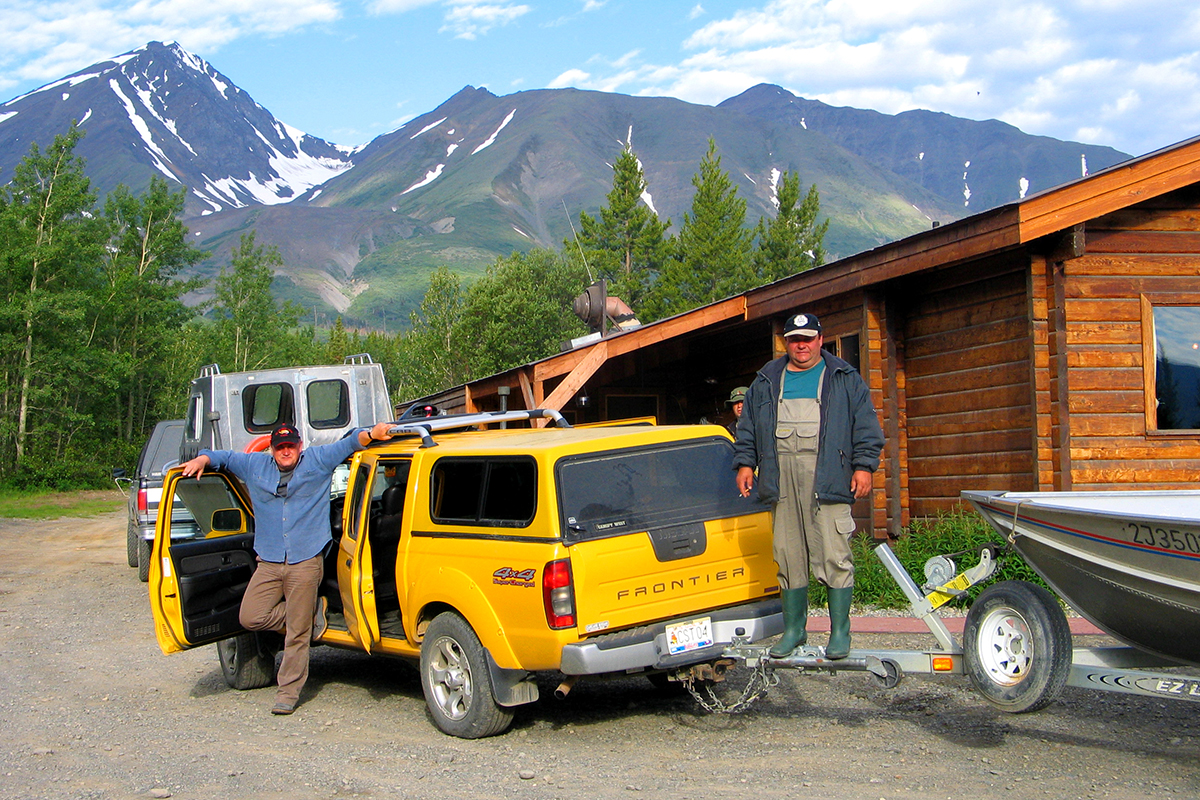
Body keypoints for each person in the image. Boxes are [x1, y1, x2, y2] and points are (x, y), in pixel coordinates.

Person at [179, 420, 397, 715]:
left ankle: (288, 692)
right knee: (250, 616)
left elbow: (348, 444)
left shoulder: (317, 460)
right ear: (271, 449)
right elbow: (225, 458)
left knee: (297, 633)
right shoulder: (254, 465)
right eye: (280, 446)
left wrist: (372, 434)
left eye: (290, 446)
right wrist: (203, 459)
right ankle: (311, 613)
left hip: (306, 560)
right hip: (269, 560)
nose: (286, 451)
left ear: (299, 446)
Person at [732, 313, 884, 660]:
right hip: (780, 477)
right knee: (787, 554)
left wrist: (864, 467)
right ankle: (794, 630)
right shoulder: (767, 379)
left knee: (833, 553)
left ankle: (840, 633)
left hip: (828, 475)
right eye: (795, 339)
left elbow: (866, 426)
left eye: (808, 338)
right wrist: (745, 463)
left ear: (820, 339)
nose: (802, 345)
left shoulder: (844, 377)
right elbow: (748, 426)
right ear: (786, 342)